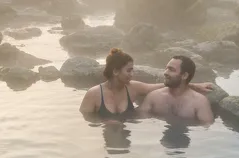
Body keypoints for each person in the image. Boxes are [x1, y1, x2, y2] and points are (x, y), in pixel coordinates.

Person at [80, 47, 213, 119]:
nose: (132, 74)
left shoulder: (133, 88)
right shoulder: (93, 94)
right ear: (115, 71)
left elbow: (165, 85)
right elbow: (85, 123)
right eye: (129, 70)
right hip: (106, 141)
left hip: (127, 137)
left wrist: (194, 85)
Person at [137, 55, 214, 124]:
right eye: (166, 68)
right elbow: (142, 123)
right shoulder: (154, 96)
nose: (165, 72)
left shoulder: (199, 102)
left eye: (171, 70)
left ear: (184, 75)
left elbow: (206, 128)